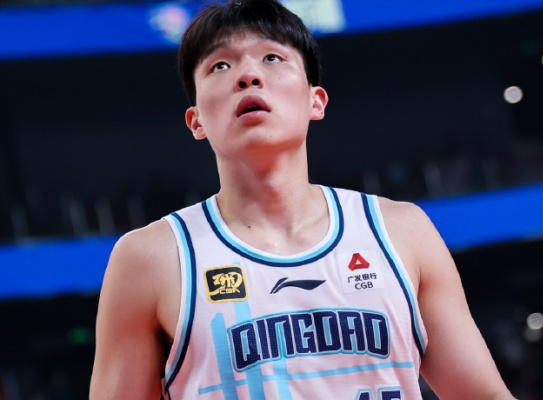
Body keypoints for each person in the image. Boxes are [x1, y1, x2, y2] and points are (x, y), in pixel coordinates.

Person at [89, 0, 516, 399]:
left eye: (272, 58)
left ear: (316, 101)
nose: (248, 75)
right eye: (220, 65)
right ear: (196, 120)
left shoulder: (402, 231)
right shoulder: (148, 259)